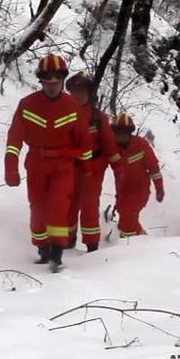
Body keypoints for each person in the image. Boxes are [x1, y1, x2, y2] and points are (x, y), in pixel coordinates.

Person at [4, 54, 92, 272]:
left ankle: (57, 253)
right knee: (37, 207)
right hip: (36, 163)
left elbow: (85, 142)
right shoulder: (27, 105)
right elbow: (14, 139)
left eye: (56, 83)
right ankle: (42, 249)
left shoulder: (73, 106)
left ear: (63, 80)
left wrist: (86, 168)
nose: (52, 87)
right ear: (40, 81)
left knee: (58, 206)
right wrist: (11, 167)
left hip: (63, 165)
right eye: (47, 82)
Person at [64, 71, 116, 252]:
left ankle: (92, 245)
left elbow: (109, 144)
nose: (78, 95)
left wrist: (119, 169)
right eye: (74, 91)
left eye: (82, 91)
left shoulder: (98, 117)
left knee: (89, 204)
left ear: (89, 94)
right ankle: (68, 240)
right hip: (69, 167)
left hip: (93, 168)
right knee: (68, 204)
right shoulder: (62, 114)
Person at [108, 113, 164, 238]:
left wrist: (159, 189)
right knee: (124, 221)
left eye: (124, 132)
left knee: (128, 217)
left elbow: (154, 169)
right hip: (122, 190)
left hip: (140, 190)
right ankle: (144, 239)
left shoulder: (141, 145)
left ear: (129, 132)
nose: (121, 136)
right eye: (118, 132)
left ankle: (128, 248)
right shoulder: (110, 146)